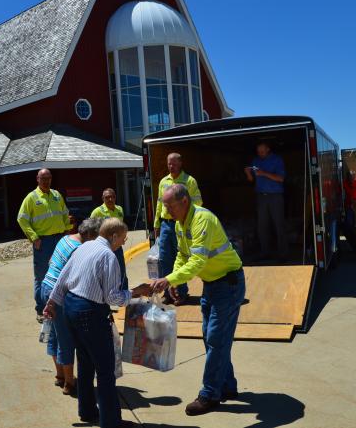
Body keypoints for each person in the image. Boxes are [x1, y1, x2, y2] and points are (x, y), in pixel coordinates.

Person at [44, 218, 151, 428]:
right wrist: (135, 292)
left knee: (85, 364)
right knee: (104, 370)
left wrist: (52, 303)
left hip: (71, 309)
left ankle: (87, 411)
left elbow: (62, 278)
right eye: (123, 237)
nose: (125, 241)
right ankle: (111, 421)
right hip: (90, 314)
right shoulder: (108, 256)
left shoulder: (84, 247)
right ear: (113, 236)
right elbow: (112, 298)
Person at [150, 184, 245, 416]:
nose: (167, 211)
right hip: (212, 286)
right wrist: (173, 282)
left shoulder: (201, 219)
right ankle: (227, 386)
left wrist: (168, 279)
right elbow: (183, 255)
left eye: (170, 206)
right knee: (212, 338)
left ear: (184, 202)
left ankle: (210, 394)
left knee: (215, 339)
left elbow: (198, 262)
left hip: (228, 285)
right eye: (165, 207)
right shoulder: (181, 223)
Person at [40, 218, 102, 397]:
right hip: (58, 295)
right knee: (66, 339)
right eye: (97, 237)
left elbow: (52, 260)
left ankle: (60, 375)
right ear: (90, 235)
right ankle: (69, 383)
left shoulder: (65, 239)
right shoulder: (79, 249)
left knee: (54, 334)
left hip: (46, 286)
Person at [17, 168, 73, 323]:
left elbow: (64, 214)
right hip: (44, 242)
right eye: (43, 178)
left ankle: (59, 305)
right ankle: (41, 309)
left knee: (63, 273)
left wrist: (69, 227)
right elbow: (22, 219)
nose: (46, 181)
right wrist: (34, 237)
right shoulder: (31, 198)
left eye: (48, 178)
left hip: (60, 239)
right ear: (37, 179)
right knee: (42, 276)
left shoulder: (56, 195)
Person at [153, 153, 202, 305]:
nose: (171, 166)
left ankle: (181, 293)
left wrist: (189, 220)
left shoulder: (189, 181)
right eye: (169, 164)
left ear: (180, 163)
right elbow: (159, 204)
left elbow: (198, 202)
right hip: (167, 225)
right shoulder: (163, 182)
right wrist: (156, 224)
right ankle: (168, 292)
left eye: (174, 164)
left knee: (180, 259)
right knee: (164, 259)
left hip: (181, 224)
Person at [244, 142, 287, 261]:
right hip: (261, 197)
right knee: (262, 226)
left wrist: (263, 173)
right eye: (258, 152)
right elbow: (251, 180)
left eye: (262, 151)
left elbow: (280, 178)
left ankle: (283, 254)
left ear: (268, 149)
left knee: (279, 225)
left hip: (275, 196)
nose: (260, 154)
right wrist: (248, 173)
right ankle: (264, 252)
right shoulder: (256, 161)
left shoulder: (277, 160)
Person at [90, 188, 128, 289]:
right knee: (106, 271)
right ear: (103, 198)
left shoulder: (119, 209)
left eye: (112, 197)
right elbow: (91, 229)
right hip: (104, 248)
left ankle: (124, 293)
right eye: (107, 197)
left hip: (117, 246)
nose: (110, 199)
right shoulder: (97, 212)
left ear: (115, 197)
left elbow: (121, 226)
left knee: (121, 269)